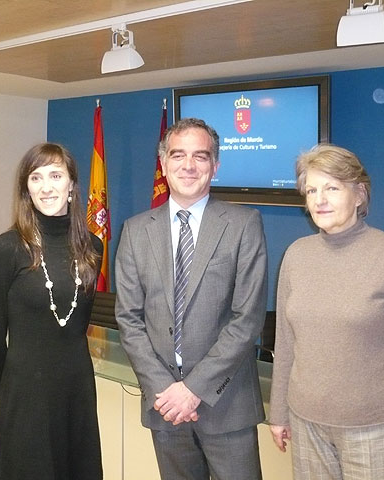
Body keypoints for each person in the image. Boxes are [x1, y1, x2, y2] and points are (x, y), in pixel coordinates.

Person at [269, 144, 384, 480]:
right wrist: (279, 413)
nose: (319, 199)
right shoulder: (296, 255)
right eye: (312, 190)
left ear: (359, 194)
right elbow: (285, 343)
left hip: (374, 428)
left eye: (332, 188)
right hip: (307, 423)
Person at [115, 118, 268, 480]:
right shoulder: (135, 231)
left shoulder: (244, 224)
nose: (188, 165)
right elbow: (129, 319)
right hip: (164, 405)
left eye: (200, 157)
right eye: (178, 155)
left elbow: (246, 319)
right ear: (164, 163)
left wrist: (193, 390)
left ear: (215, 166)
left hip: (227, 403)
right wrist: (166, 391)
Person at [0, 143, 103, 479]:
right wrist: (15, 388)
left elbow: (77, 324)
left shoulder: (93, 247)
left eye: (56, 175)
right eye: (36, 177)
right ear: (26, 190)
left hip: (77, 389)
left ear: (72, 185)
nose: (46, 187)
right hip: (26, 393)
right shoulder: (7, 248)